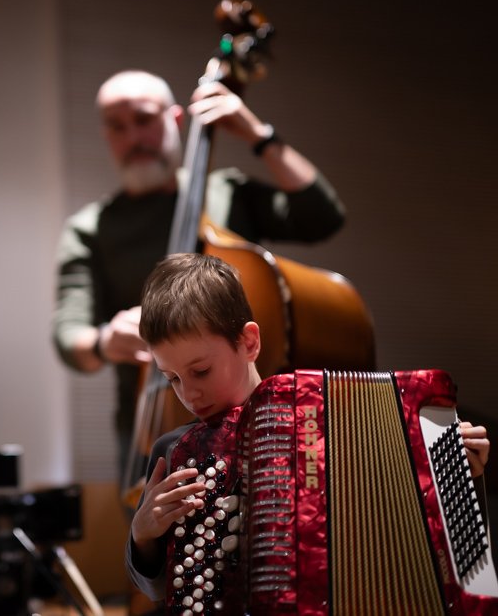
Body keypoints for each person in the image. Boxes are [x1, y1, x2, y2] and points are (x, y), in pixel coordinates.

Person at [124, 253, 492, 607]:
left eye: (200, 371)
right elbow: (157, 588)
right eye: (172, 378)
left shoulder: (336, 419)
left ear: (249, 342)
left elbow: (421, 529)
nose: (189, 393)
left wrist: (453, 470)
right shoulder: (177, 451)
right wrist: (143, 536)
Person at [52, 68, 347, 476]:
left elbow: (323, 217)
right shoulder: (89, 228)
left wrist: (260, 136)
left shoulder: (226, 193)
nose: (133, 138)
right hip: (151, 427)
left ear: (176, 119)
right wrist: (105, 340)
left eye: (143, 120)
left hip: (261, 425)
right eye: (117, 127)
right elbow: (69, 336)